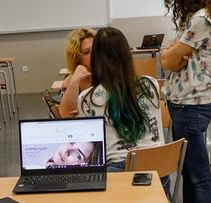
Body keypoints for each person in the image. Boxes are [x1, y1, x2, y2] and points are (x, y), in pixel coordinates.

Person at [160, 0, 211, 203]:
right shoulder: (208, 16)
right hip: (191, 103)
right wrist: (174, 55)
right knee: (188, 172)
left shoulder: (201, 20)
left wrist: (172, 55)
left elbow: (168, 60)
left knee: (199, 176)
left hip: (189, 105)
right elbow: (173, 57)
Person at [60, 27, 165, 176]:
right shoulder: (151, 84)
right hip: (160, 170)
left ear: (97, 59)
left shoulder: (88, 99)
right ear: (128, 55)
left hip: (120, 172)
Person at [58, 28, 95, 117]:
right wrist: (74, 82)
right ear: (76, 58)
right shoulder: (70, 81)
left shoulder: (107, 77)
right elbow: (65, 116)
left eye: (96, 49)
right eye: (87, 52)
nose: (94, 54)